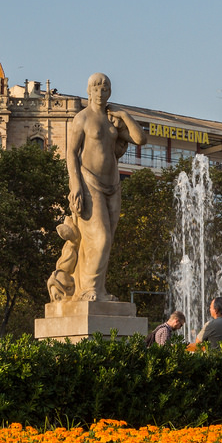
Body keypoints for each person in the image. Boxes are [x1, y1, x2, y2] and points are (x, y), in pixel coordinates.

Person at [66, 73, 147, 301]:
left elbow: (140, 139)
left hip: (113, 185)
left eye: (105, 89)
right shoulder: (82, 118)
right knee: (99, 238)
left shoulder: (113, 121)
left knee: (106, 240)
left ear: (109, 92)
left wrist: (124, 115)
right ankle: (89, 289)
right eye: (96, 89)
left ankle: (98, 289)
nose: (100, 94)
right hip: (89, 182)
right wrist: (75, 185)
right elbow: (71, 153)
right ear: (89, 92)